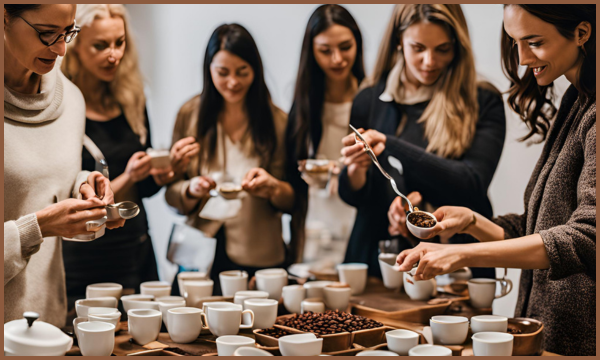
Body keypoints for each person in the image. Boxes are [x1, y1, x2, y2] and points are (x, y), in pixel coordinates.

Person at [394, 5, 595, 356]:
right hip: (549, 335)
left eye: (534, 42)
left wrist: (460, 255)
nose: (521, 58)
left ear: (581, 33)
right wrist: (471, 222)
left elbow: (586, 237)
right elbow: (541, 230)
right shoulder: (576, 100)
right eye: (515, 42)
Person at [339, 4, 505, 278]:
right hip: (377, 260)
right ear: (398, 42)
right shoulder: (369, 97)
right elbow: (354, 195)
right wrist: (356, 170)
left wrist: (391, 144)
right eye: (418, 48)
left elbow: (472, 184)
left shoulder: (483, 99)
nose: (429, 61)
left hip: (456, 265)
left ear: (458, 46)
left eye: (443, 49)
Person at [60, 4, 199, 306]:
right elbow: (65, 200)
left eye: (119, 42)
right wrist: (128, 177)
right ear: (75, 45)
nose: (113, 55)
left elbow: (144, 190)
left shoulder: (131, 97)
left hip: (134, 246)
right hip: (83, 255)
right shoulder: (61, 106)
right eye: (101, 45)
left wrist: (166, 171)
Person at [4, 4, 122, 327]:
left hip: (50, 326)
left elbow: (40, 183)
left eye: (68, 32)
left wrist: (83, 187)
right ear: (4, 16)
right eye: (46, 34)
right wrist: (37, 228)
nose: (60, 48)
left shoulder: (71, 101)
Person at [165, 24, 294, 295]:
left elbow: (293, 198)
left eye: (242, 72)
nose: (233, 82)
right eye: (222, 73)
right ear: (209, 69)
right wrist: (191, 189)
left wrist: (271, 187)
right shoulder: (190, 114)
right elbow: (171, 192)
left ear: (255, 70)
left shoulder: (278, 121)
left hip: (257, 251)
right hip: (199, 251)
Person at [285, 4, 364, 263]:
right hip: (313, 223)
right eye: (325, 51)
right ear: (311, 51)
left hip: (361, 220)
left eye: (345, 47)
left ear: (358, 44)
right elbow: (291, 171)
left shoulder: (371, 95)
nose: (337, 59)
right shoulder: (303, 101)